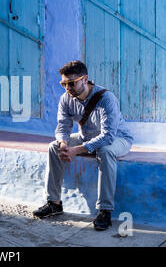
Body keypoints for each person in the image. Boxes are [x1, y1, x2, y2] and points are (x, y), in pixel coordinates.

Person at [33, 60, 134, 231]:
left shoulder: (106, 98)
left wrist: (76, 150)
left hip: (118, 138)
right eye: (63, 83)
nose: (67, 87)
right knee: (53, 147)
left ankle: (105, 210)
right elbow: (62, 127)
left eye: (71, 83)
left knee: (105, 151)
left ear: (84, 79)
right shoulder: (66, 99)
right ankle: (54, 203)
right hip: (86, 136)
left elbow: (108, 136)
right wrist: (64, 144)